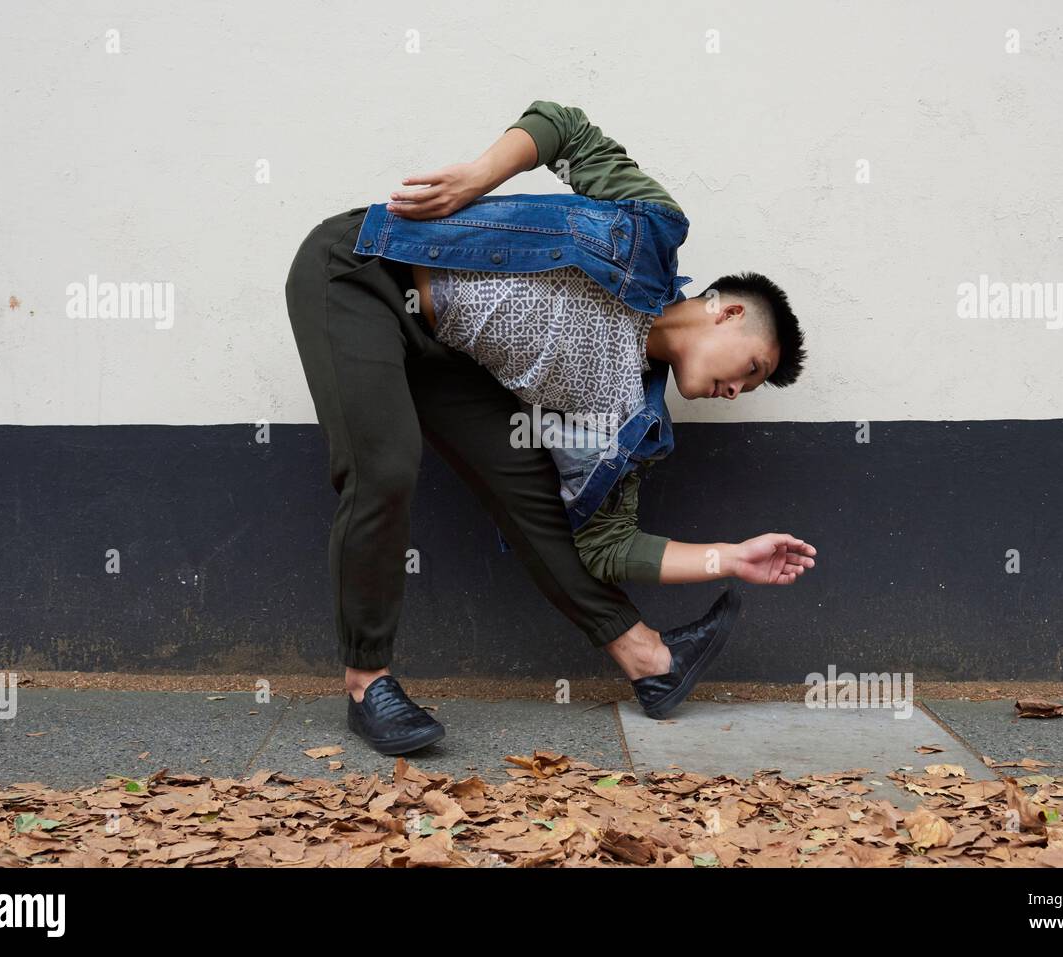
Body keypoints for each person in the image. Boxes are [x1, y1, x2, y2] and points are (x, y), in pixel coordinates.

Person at [284, 100, 816, 756]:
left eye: (745, 389)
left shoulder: (630, 420)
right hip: (366, 272)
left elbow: (605, 543)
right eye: (751, 368)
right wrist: (480, 176)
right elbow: (565, 127)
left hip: (443, 355)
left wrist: (727, 556)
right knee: (387, 465)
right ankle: (368, 682)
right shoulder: (651, 231)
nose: (736, 391)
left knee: (532, 493)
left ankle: (652, 659)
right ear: (728, 312)